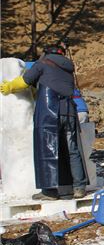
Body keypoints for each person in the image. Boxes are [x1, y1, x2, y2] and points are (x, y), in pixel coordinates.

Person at [0, 45, 89, 200]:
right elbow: (53, 83)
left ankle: (49, 191)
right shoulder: (68, 68)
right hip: (69, 113)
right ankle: (79, 188)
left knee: (48, 150)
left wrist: (9, 87)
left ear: (46, 53)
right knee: (73, 151)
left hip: (50, 114)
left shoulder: (43, 63)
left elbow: (25, 81)